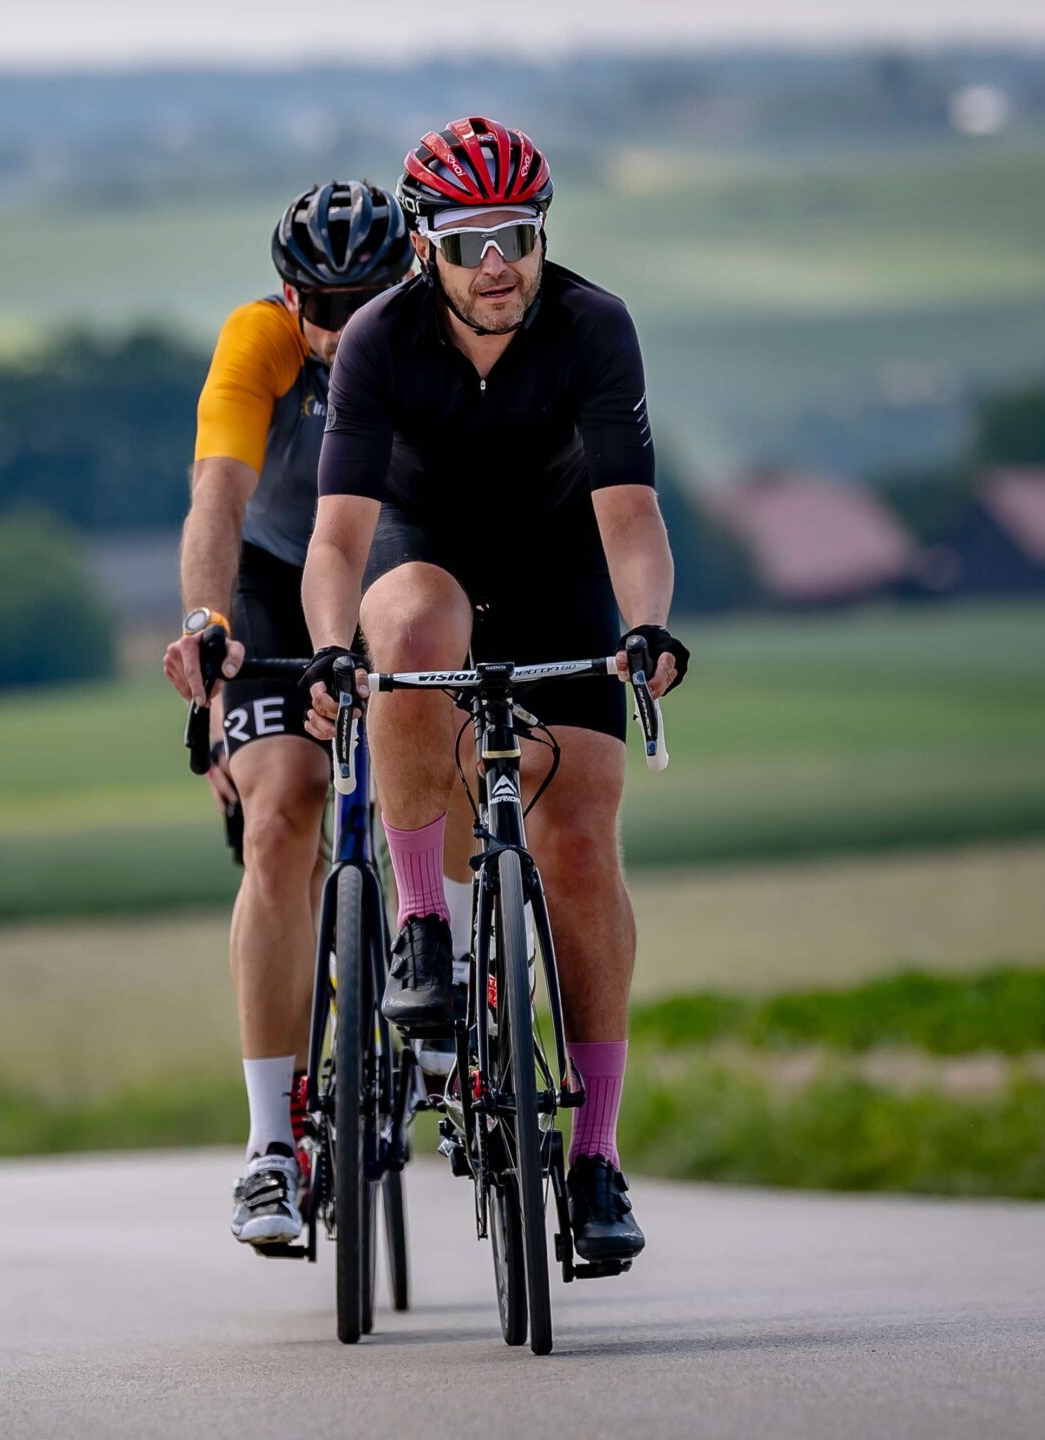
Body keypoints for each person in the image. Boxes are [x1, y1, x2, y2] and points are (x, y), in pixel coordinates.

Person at [298, 117, 690, 1268]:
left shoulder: (591, 325)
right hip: (420, 554)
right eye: (468, 243)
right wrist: (327, 646)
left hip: (555, 568)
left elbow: (631, 516)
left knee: (579, 847)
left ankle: (596, 1156)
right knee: (412, 631)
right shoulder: (380, 338)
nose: (496, 264)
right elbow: (336, 540)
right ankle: (424, 926)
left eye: (514, 236)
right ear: (425, 246)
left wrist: (645, 625)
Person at [160, 180, 410, 1250]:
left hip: (400, 574)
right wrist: (206, 620)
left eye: (369, 304)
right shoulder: (258, 340)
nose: (346, 329)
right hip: (271, 577)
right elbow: (217, 492)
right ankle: (272, 1143)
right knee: (280, 822)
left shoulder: (433, 340)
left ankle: (443, 961)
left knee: (443, 758)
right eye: (324, 307)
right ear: (287, 297)